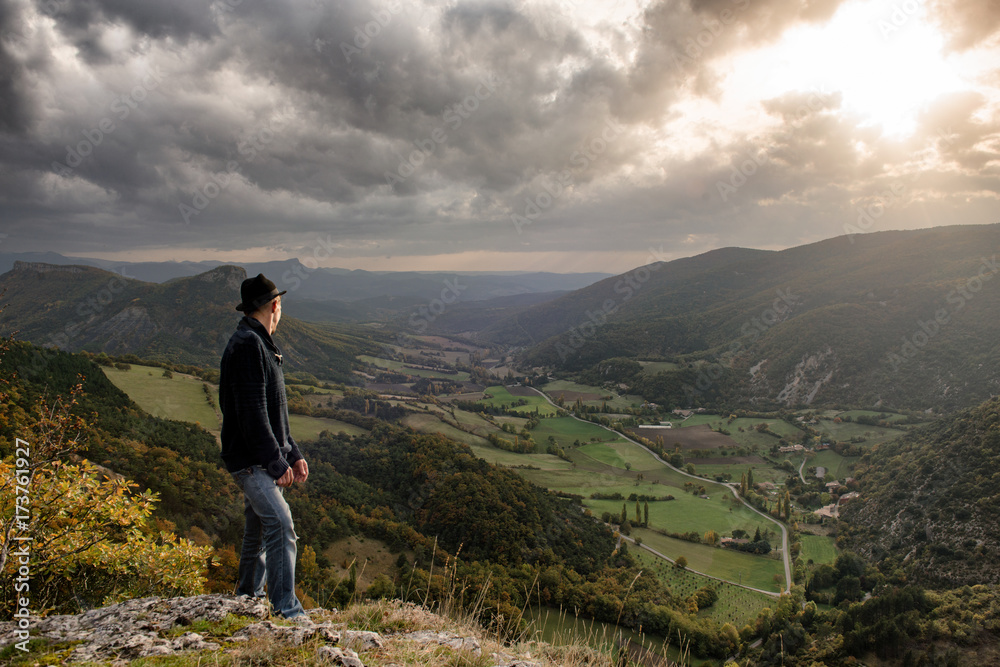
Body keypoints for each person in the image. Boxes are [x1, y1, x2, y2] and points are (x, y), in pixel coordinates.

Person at [219, 273, 310, 621]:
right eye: (281, 304)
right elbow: (251, 413)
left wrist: (293, 453)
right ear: (274, 305)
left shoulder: (258, 343)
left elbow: (274, 412)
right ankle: (287, 610)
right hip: (250, 461)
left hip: (257, 457)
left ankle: (246, 599)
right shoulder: (248, 346)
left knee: (257, 530)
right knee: (281, 524)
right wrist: (275, 462)